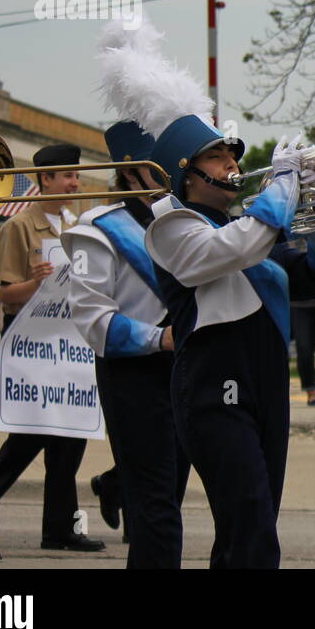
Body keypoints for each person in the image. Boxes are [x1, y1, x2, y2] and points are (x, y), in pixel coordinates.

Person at [107, 21, 315, 567]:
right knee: (254, 530)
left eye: (232, 155)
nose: (233, 165)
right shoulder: (171, 228)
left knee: (244, 535)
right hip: (214, 385)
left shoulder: (249, 226)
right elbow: (228, 251)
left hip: (266, 383)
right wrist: (281, 192)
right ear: (186, 173)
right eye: (218, 157)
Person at [62, 115, 188, 568]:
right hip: (133, 374)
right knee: (157, 507)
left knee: (168, 497)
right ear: (131, 169)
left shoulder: (186, 220)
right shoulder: (96, 229)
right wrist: (159, 338)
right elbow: (91, 320)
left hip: (186, 372)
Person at [0, 144, 105, 553]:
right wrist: (35, 281)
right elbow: (7, 295)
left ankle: (58, 528)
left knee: (71, 433)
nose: (73, 182)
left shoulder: (77, 224)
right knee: (36, 426)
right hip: (32, 342)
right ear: (43, 179)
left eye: (75, 175)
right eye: (65, 175)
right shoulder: (19, 227)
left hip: (72, 340)